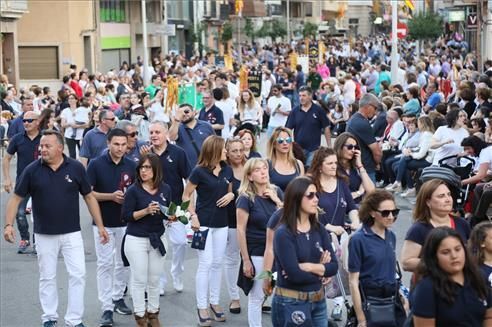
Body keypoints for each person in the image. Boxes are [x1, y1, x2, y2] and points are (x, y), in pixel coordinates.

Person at [4, 129, 109, 327]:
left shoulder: (76, 168)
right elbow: (16, 198)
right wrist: (9, 225)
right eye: (41, 146)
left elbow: (89, 196)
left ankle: (74, 320)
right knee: (47, 276)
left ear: (60, 148)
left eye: (47, 146)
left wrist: (101, 225)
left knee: (78, 274)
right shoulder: (32, 170)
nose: (42, 149)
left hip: (72, 233)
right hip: (44, 234)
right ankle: (49, 318)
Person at [271, 176, 338, 327]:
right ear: (296, 198)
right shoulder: (284, 233)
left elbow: (334, 266)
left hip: (319, 301)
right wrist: (321, 269)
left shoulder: (319, 228)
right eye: (310, 195)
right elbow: (295, 275)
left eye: (316, 195)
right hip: (291, 302)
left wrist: (308, 266)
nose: (316, 199)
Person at [182, 135, 235, 326]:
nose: (227, 151)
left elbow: (230, 190)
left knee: (217, 263)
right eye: (224, 148)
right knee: (205, 263)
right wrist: (192, 215)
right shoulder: (199, 171)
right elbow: (186, 195)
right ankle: (201, 306)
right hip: (202, 224)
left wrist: (231, 194)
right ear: (214, 150)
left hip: (222, 223)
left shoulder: (227, 169)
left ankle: (214, 301)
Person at [86, 128, 136, 326]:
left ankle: (117, 297)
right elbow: (88, 194)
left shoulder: (132, 165)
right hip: (103, 222)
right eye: (116, 144)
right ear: (108, 143)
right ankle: (106, 307)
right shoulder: (96, 165)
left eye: (124, 145)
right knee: (104, 264)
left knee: (123, 262)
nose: (120, 148)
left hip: (126, 222)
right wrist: (110, 196)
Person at [121, 153, 171, 326]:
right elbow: (126, 216)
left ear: (156, 169)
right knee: (139, 279)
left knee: (154, 279)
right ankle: (140, 316)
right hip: (136, 239)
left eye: (148, 167)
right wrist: (145, 211)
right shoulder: (133, 190)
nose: (144, 171)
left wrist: (172, 217)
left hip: (158, 238)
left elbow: (168, 211)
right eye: (141, 167)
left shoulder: (165, 189)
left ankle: (153, 313)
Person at [142, 121, 191, 295]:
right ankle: (160, 281)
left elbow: (189, 180)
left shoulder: (178, 153)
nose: (154, 135)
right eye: (151, 132)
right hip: (153, 207)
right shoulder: (146, 154)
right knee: (157, 246)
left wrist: (188, 206)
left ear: (166, 134)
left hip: (175, 206)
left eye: (157, 132)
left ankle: (177, 273)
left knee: (180, 242)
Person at [348, 190, 406, 327]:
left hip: (392, 299)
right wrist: (361, 319)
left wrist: (401, 294)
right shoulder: (358, 239)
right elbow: (353, 282)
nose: (391, 216)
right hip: (371, 300)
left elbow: (390, 270)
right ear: (372, 213)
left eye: (394, 212)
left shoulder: (391, 236)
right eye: (385, 213)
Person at [411, 227, 492, 326]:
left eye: (458, 249)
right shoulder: (426, 287)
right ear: (434, 256)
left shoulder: (479, 277)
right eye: (445, 252)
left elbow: (488, 316)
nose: (454, 256)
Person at [236, 158, 283, 327]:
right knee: (258, 296)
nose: (263, 172)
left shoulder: (276, 191)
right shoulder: (245, 198)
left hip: (279, 252)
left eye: (264, 168)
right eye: (257, 170)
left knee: (279, 293)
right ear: (249, 176)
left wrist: (277, 201)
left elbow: (288, 220)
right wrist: (246, 260)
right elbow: (241, 230)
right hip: (257, 253)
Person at [400, 179, 471, 274]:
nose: (447, 199)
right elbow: (406, 262)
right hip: (433, 284)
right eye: (441, 196)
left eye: (449, 194)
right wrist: (439, 263)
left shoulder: (462, 223)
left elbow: (472, 253)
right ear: (428, 202)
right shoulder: (419, 229)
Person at [2, 111, 41, 253]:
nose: (26, 123)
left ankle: (39, 241)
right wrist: (7, 178)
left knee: (40, 213)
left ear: (37, 122)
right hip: (23, 182)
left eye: (30, 120)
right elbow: (6, 158)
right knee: (19, 212)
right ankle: (25, 239)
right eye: (24, 120)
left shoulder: (46, 138)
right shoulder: (18, 139)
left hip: (43, 183)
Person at [386, 116, 435, 197]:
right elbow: (420, 147)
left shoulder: (427, 135)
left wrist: (411, 153)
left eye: (418, 123)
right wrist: (410, 150)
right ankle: (402, 184)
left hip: (427, 160)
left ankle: (402, 184)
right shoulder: (424, 134)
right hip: (424, 157)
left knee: (404, 161)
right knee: (404, 160)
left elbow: (421, 154)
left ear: (422, 124)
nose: (418, 125)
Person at [224, 138, 246, 314]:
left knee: (254, 259)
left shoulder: (250, 168)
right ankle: (234, 297)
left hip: (253, 222)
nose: (238, 154)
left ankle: (258, 297)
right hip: (231, 221)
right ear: (227, 152)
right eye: (234, 151)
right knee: (232, 259)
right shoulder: (224, 170)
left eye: (241, 150)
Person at [285, 86, 331, 167]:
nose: (301, 98)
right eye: (300, 96)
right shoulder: (295, 111)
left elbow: (326, 128)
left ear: (310, 96)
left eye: (304, 95)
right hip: (298, 149)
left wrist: (329, 146)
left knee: (310, 172)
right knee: (299, 170)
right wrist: (288, 145)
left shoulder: (318, 110)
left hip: (313, 149)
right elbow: (288, 129)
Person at [347, 93, 382, 182]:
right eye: (375, 108)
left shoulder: (353, 119)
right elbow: (376, 151)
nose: (376, 112)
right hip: (365, 167)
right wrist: (377, 163)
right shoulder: (362, 123)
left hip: (357, 165)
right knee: (370, 195)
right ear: (369, 106)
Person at [168, 103, 215, 167]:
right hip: (189, 169)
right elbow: (171, 138)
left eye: (186, 111)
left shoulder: (206, 126)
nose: (184, 114)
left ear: (194, 112)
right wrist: (177, 120)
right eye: (181, 113)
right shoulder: (177, 128)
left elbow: (215, 144)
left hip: (208, 166)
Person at [333, 132, 375, 204]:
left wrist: (360, 165)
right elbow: (339, 196)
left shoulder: (354, 166)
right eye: (350, 147)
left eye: (355, 147)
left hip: (357, 207)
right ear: (340, 147)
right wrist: (359, 192)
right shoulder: (333, 166)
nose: (353, 150)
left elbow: (371, 191)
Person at [266, 127, 304, 191]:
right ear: (274, 144)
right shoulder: (266, 164)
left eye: (288, 140)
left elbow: (302, 190)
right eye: (280, 141)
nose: (285, 143)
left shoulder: (298, 164)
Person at [60, 94, 91, 159]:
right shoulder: (65, 111)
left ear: (76, 100)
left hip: (81, 136)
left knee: (83, 154)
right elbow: (63, 124)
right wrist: (70, 124)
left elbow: (87, 124)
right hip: (69, 135)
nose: (70, 100)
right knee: (72, 154)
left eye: (72, 98)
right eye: (69, 99)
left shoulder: (82, 109)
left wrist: (77, 126)